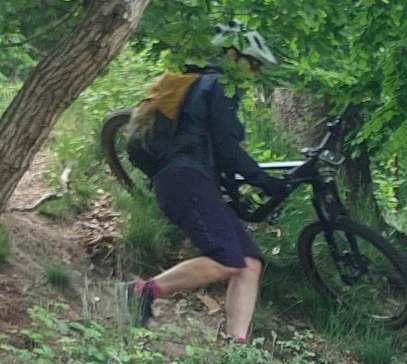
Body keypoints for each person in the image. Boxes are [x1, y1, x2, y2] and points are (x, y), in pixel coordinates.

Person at [118, 21, 288, 342]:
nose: (254, 72)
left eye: (257, 67)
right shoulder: (219, 86)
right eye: (251, 63)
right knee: (227, 259)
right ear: (230, 55)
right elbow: (226, 148)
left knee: (249, 262)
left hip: (192, 181)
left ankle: (237, 346)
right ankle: (141, 291)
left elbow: (220, 151)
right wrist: (264, 181)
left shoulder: (202, 87)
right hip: (184, 179)